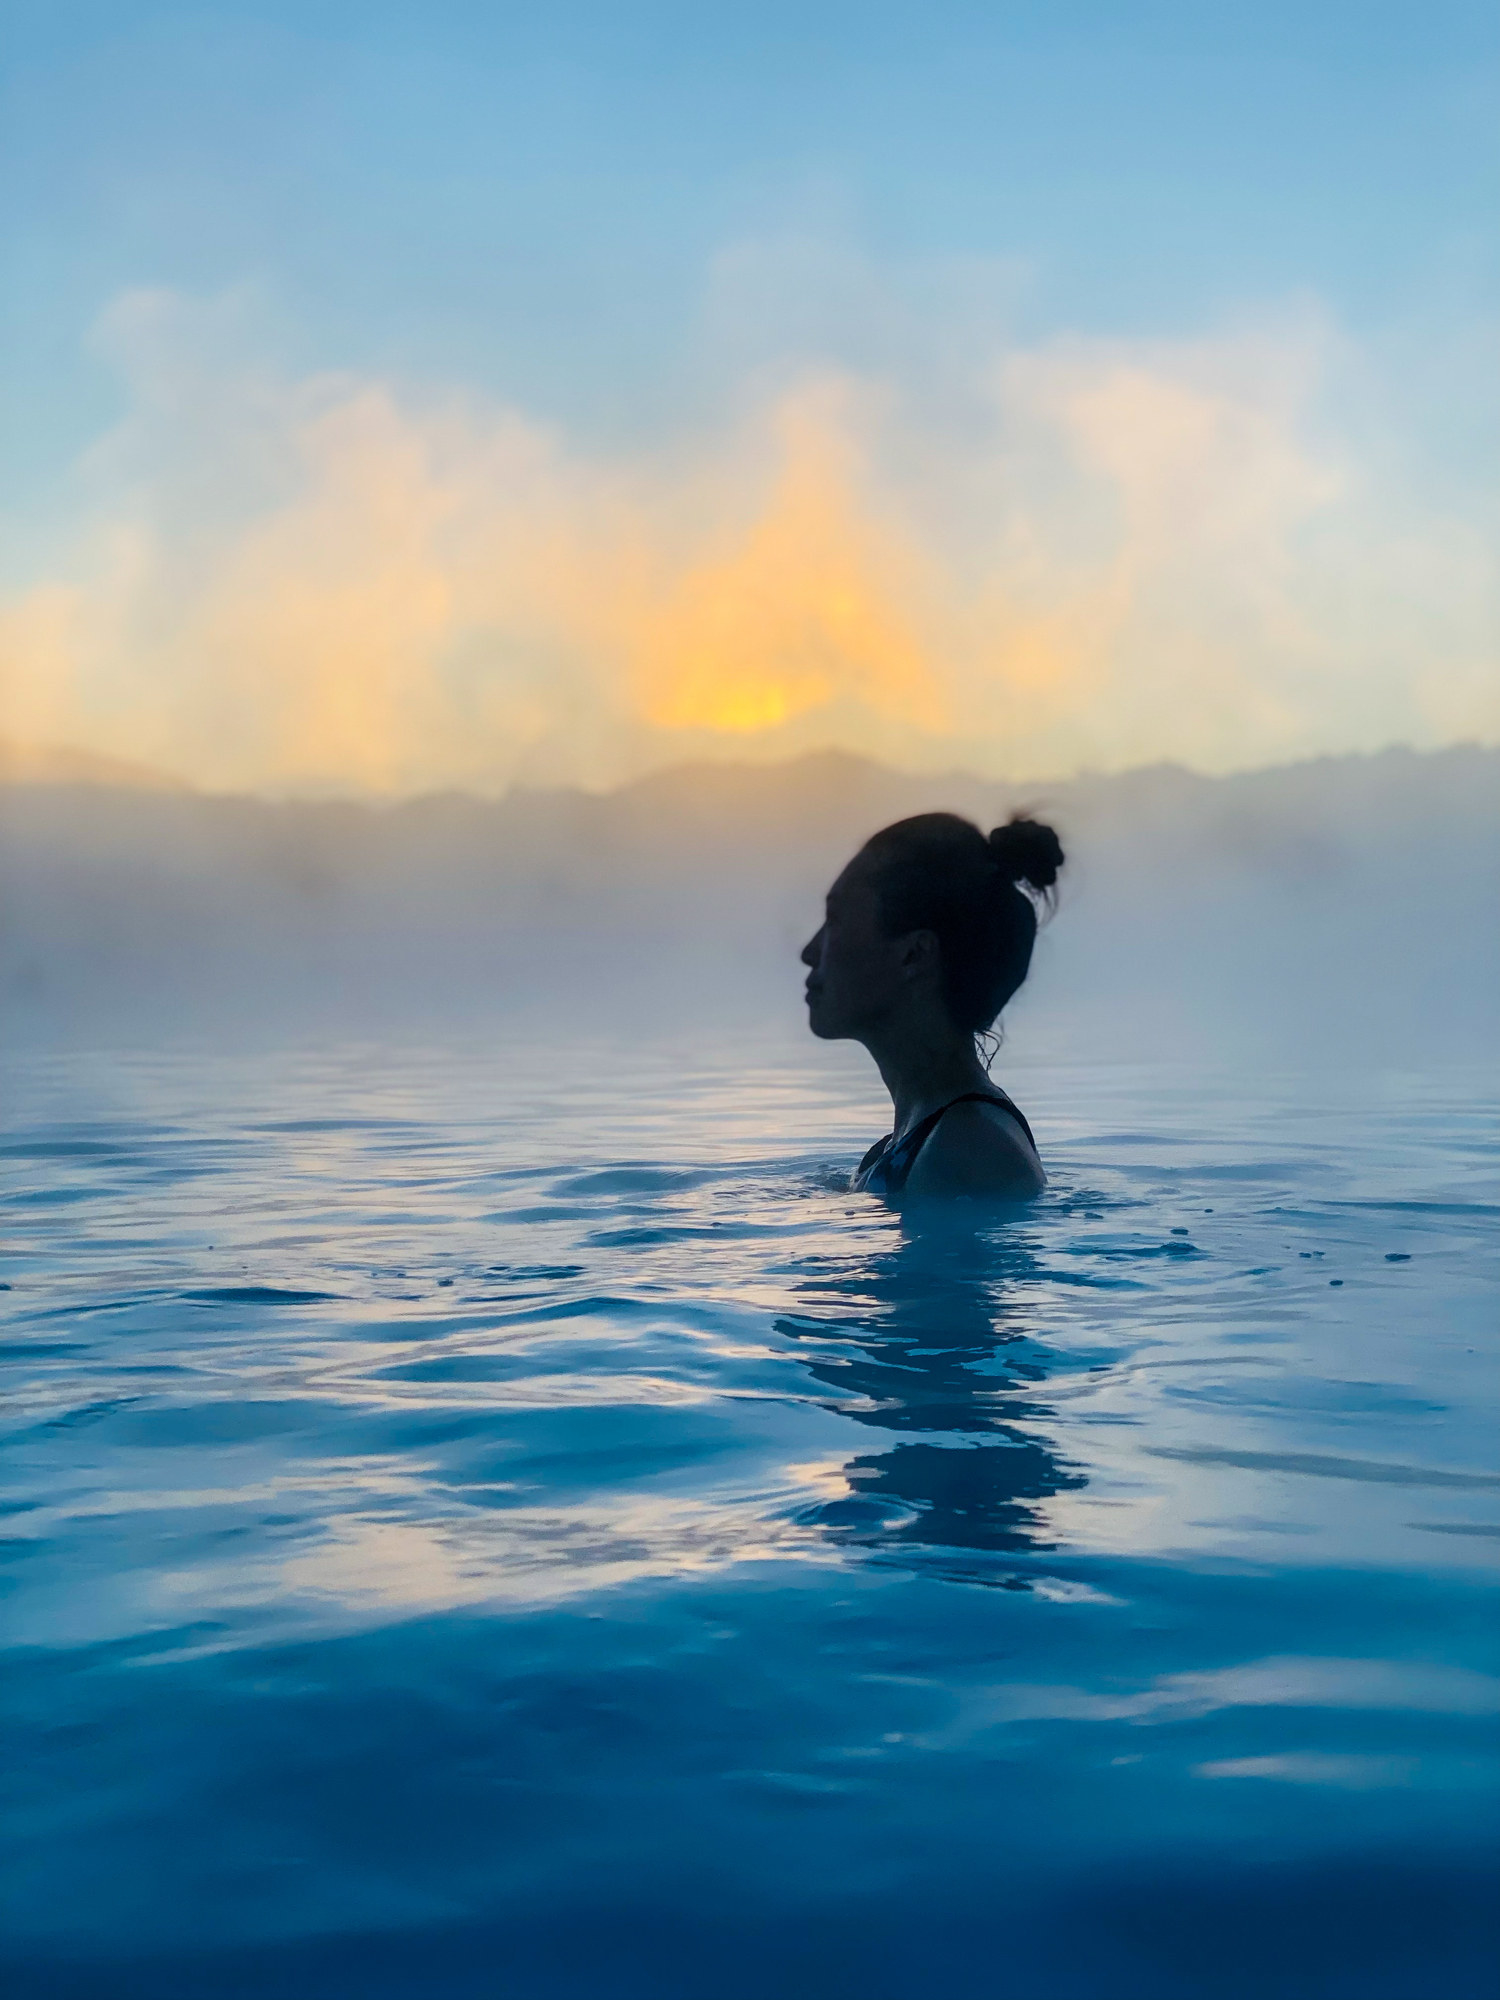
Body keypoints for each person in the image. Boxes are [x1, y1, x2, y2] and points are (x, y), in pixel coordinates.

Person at [801, 811, 1064, 1201]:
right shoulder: (907, 1146)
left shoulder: (970, 1149)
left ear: (914, 954)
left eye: (835, 920)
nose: (809, 952)